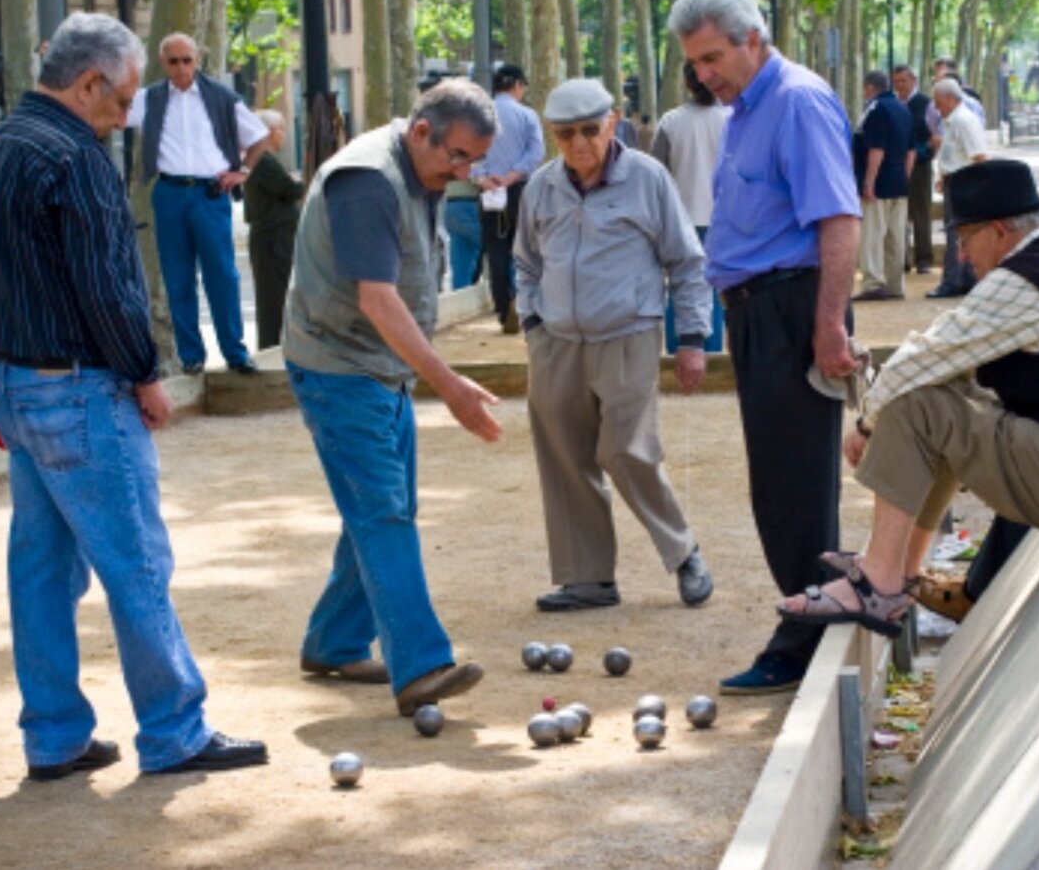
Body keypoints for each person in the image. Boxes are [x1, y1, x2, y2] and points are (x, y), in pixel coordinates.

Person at [0, 12, 267, 780]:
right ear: (88, 82)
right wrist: (144, 373)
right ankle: (174, 729)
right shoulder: (79, 158)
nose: (129, 113)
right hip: (78, 389)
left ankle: (54, 735)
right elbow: (107, 287)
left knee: (40, 568)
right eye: (123, 97)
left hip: (18, 384)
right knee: (135, 559)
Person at [282, 79, 500, 717]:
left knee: (383, 505)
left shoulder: (419, 169)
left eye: (473, 163)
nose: (461, 173)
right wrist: (451, 386)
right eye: (455, 157)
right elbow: (378, 298)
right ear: (421, 131)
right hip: (338, 366)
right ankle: (422, 666)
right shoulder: (368, 180)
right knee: (384, 512)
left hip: (378, 366)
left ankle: (334, 642)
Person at [670, 0, 861, 693]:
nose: (703, 75)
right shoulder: (747, 108)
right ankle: (813, 614)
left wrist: (828, 327)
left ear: (754, 37)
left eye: (713, 57)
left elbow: (838, 221)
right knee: (777, 481)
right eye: (695, 63)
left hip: (793, 306)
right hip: (758, 311)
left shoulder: (797, 101)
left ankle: (808, 632)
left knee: (795, 484)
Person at [779, 159, 1039, 638]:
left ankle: (880, 584)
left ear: (1001, 232)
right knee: (946, 395)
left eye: (965, 240)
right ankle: (898, 568)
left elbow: (917, 361)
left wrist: (867, 425)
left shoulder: (1023, 280)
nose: (962, 257)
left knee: (918, 403)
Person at [515, 78, 715, 612]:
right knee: (565, 456)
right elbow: (526, 262)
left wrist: (692, 338)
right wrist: (531, 321)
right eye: (564, 134)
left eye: (588, 130)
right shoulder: (541, 186)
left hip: (628, 334)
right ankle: (588, 578)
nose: (579, 144)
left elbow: (687, 263)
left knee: (626, 450)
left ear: (613, 122)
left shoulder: (647, 179)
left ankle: (684, 551)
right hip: (555, 341)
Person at [127, 33, 270, 375]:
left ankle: (235, 353)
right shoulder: (149, 98)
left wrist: (243, 172)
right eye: (173, 61)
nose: (181, 67)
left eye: (186, 60)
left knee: (222, 275)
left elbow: (260, 136)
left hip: (211, 195)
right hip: (169, 193)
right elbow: (115, 115)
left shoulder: (221, 96)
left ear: (197, 59)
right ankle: (191, 357)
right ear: (163, 63)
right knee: (177, 277)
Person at [652, 60, 731, 354]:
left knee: (682, 286)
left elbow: (656, 173)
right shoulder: (731, 119)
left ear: (686, 83)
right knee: (721, 286)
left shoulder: (671, 122)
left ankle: (680, 349)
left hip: (680, 218)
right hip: (724, 218)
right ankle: (713, 350)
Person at [474, 64, 544, 333]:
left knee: (496, 249)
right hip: (520, 190)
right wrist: (512, 176)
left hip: (488, 191)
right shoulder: (527, 115)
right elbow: (535, 153)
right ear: (516, 84)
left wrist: (483, 178)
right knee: (527, 249)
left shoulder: (479, 115)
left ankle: (503, 308)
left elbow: (468, 157)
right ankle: (526, 305)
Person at [244, 109, 305, 350]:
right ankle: (270, 348)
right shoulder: (263, 161)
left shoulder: (260, 159)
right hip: (272, 240)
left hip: (277, 238)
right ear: (269, 132)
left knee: (277, 297)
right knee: (273, 298)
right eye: (282, 130)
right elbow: (291, 190)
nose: (284, 136)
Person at [852, 70, 914, 301]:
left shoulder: (876, 110)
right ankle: (896, 283)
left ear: (869, 88)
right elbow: (911, 151)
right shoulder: (902, 108)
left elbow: (876, 149)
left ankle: (873, 282)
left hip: (879, 181)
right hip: (899, 180)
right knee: (896, 236)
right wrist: (905, 177)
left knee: (872, 234)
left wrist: (869, 180)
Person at [927, 78, 987, 299]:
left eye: (938, 101)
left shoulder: (963, 121)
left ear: (950, 99)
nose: (935, 106)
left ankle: (953, 281)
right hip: (956, 181)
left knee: (956, 233)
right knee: (957, 233)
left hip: (965, 183)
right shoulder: (953, 121)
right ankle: (963, 279)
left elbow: (979, 156)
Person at [892, 64, 934, 275]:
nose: (900, 86)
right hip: (897, 165)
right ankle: (902, 258)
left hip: (920, 166)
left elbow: (935, 134)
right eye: (896, 82)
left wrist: (924, 152)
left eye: (903, 81)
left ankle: (924, 258)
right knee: (899, 213)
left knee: (921, 212)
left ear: (913, 81)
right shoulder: (893, 104)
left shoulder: (926, 104)